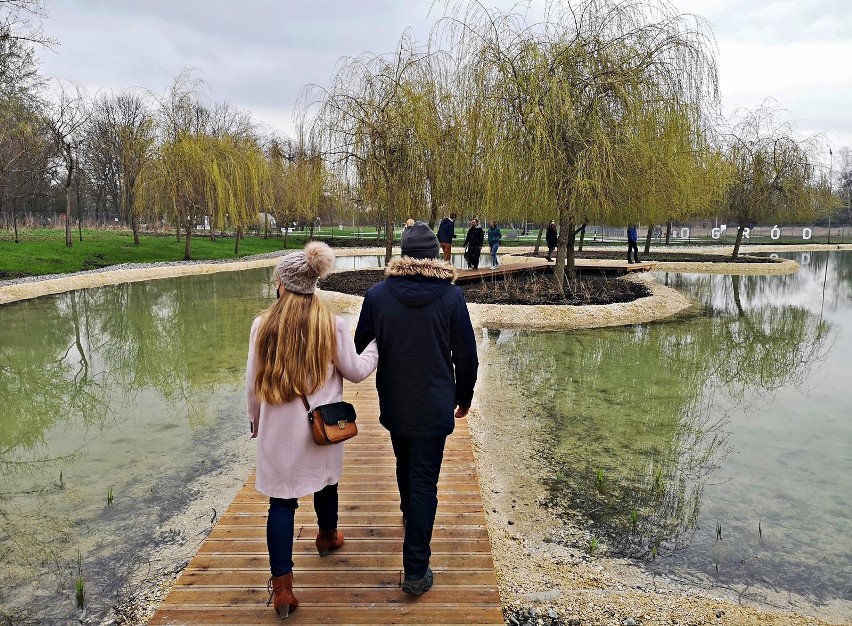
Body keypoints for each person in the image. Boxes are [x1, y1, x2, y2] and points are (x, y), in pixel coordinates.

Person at [246, 241, 379, 619]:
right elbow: (355, 371)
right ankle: (325, 537)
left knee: (281, 504)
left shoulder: (263, 325)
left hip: (277, 430)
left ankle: (283, 589)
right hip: (319, 427)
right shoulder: (332, 323)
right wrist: (375, 346)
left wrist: (254, 421)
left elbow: (252, 382)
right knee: (326, 482)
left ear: (283, 285)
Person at [354, 221, 478, 596]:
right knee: (425, 480)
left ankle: (411, 516)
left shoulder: (377, 296)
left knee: (404, 465)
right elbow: (467, 357)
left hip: (396, 401)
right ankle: (416, 570)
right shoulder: (451, 298)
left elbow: (360, 344)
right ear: (434, 256)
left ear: (403, 256)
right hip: (435, 404)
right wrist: (464, 396)